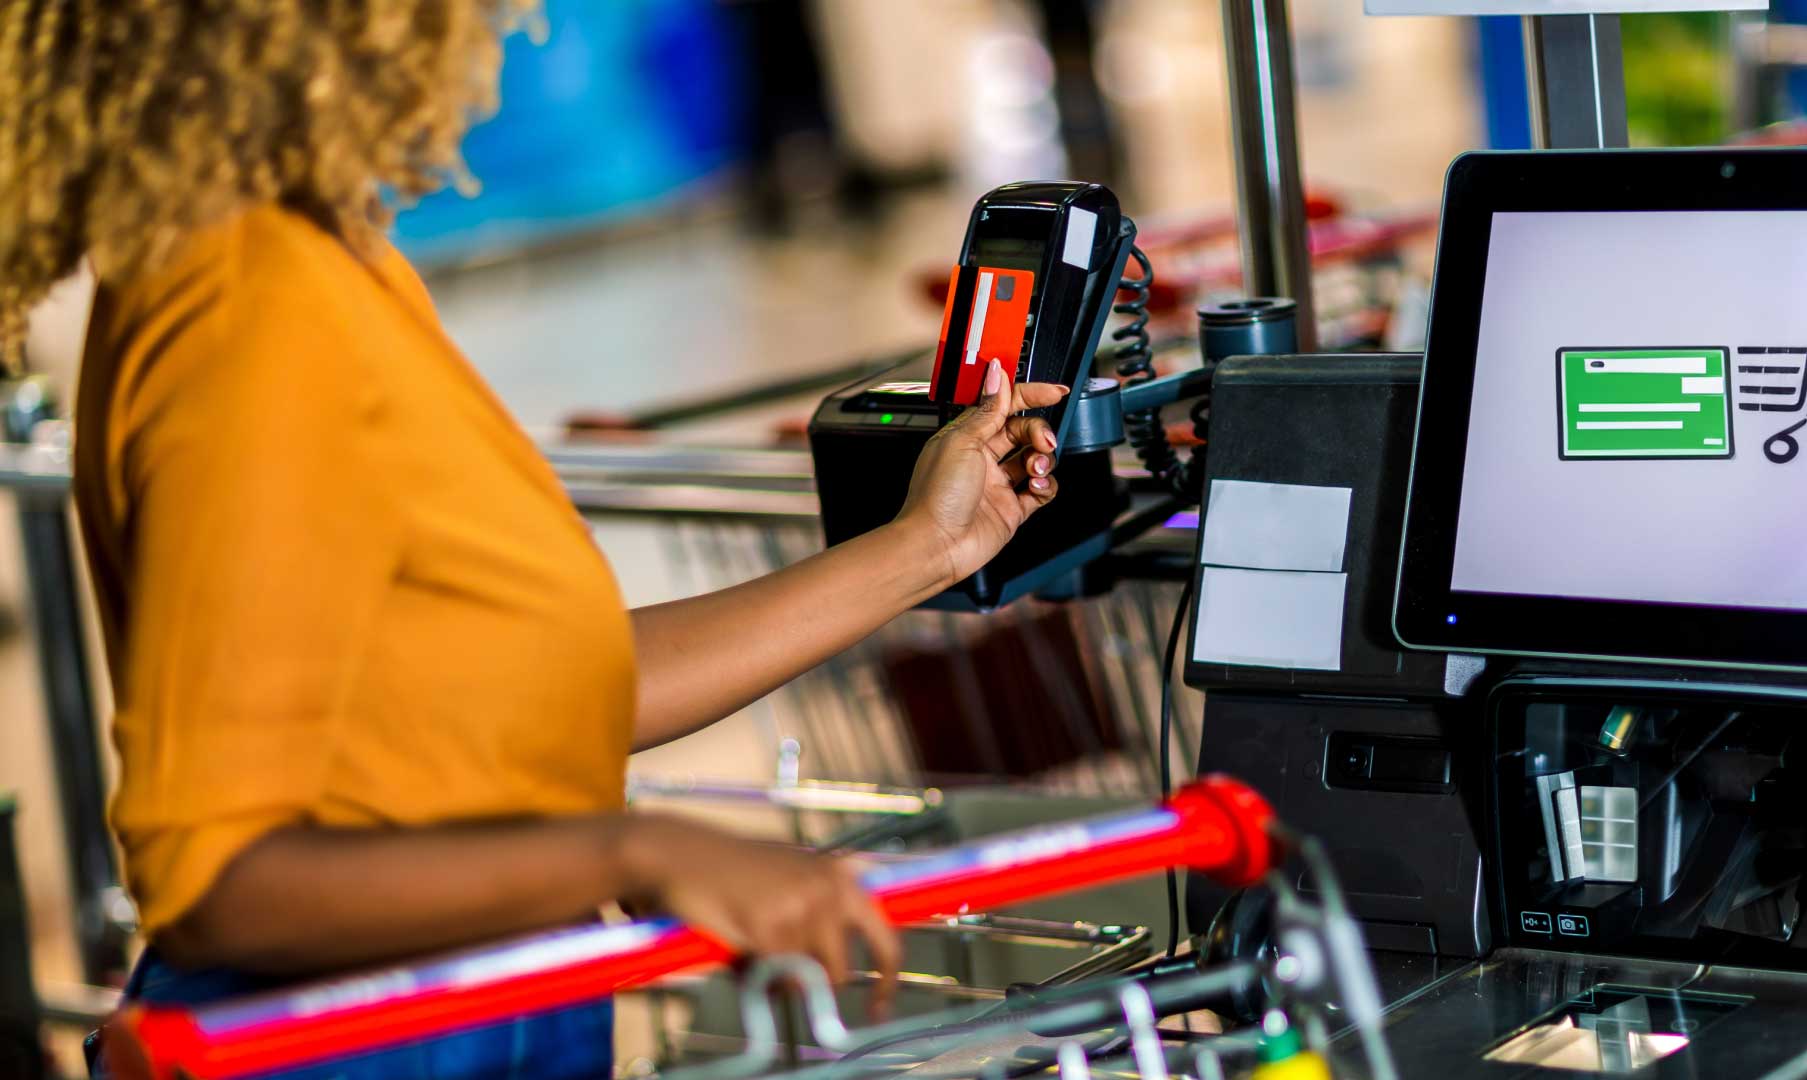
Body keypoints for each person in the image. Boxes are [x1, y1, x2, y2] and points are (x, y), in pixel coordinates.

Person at [0, 3, 1066, 1077]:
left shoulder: (314, 259)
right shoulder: (247, 297)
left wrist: (926, 545)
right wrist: (628, 848)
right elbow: (222, 877)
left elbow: (530, 707)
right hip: (369, 1040)